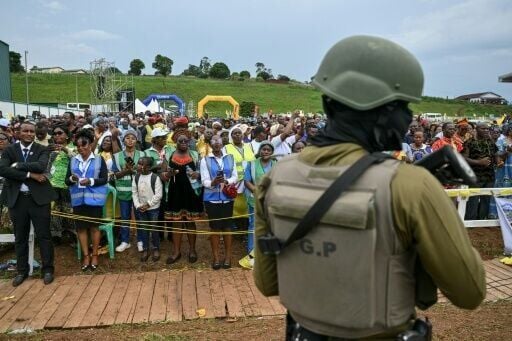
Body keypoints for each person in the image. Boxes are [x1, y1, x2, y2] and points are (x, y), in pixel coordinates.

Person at [253, 35, 485, 340]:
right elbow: (470, 291)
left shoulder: (276, 177)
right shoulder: (411, 186)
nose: (409, 118)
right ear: (384, 111)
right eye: (404, 107)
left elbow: (268, 283)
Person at [0, 121, 57, 286]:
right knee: (20, 237)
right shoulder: (10, 150)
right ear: (18, 132)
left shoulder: (42, 149)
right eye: (26, 131)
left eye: (32, 131)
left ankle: (47, 270)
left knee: (44, 235)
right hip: (17, 200)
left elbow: (41, 165)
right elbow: (3, 169)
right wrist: (29, 175)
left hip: (38, 200)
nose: (30, 134)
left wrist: (18, 165)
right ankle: (22, 271)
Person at [65, 129, 109, 271]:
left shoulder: (98, 159)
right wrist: (73, 179)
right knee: (81, 228)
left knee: (94, 228)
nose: (81, 148)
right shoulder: (73, 160)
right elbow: (67, 180)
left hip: (94, 200)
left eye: (84, 145)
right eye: (78, 146)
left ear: (90, 145)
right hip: (78, 201)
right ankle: (86, 255)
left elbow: (104, 179)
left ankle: (95, 254)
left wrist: (89, 181)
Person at [165, 128, 203, 265]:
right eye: (180, 141)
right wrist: (168, 174)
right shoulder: (169, 154)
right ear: (175, 142)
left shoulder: (195, 154)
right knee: (176, 222)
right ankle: (176, 251)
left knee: (190, 222)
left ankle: (192, 250)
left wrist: (197, 175)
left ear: (189, 142)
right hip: (175, 191)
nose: (183, 143)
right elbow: (163, 175)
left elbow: (202, 172)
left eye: (186, 141)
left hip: (191, 192)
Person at [200, 135, 238, 269]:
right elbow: (203, 180)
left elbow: (235, 176)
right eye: (214, 141)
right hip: (212, 199)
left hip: (227, 198)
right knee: (215, 228)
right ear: (210, 143)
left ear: (223, 142)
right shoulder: (205, 160)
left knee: (227, 227)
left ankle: (227, 257)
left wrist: (227, 181)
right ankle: (216, 257)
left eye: (218, 140)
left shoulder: (230, 157)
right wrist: (212, 182)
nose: (216, 143)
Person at [240, 141, 276, 269]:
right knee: (254, 226)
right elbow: (246, 181)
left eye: (268, 150)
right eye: (264, 149)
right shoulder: (252, 164)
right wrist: (257, 191)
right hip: (254, 200)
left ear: (272, 152)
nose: (266, 152)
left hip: (271, 201)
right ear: (260, 151)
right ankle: (251, 255)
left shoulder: (276, 164)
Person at [112, 130, 146, 252]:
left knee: (140, 216)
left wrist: (137, 169)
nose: (130, 140)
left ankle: (141, 240)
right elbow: (115, 175)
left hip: (139, 190)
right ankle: (125, 241)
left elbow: (146, 171)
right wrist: (127, 171)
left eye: (133, 138)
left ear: (136, 140)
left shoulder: (143, 154)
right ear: (123, 140)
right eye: (127, 138)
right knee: (125, 217)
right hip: (123, 190)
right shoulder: (117, 156)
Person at [463, 123, 498, 220]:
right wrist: (479, 162)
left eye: (487, 129)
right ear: (477, 129)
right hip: (474, 176)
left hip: (489, 176)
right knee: (473, 201)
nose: (486, 130)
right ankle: (470, 223)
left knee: (486, 200)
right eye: (483, 128)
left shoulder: (490, 142)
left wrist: (499, 161)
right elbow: (463, 158)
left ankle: (482, 222)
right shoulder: (469, 142)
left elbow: (495, 155)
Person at [47, 125, 76, 241]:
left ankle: (72, 235)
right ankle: (56, 235)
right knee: (54, 210)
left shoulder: (73, 147)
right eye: (55, 133)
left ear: (67, 135)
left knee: (69, 210)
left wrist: (64, 149)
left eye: (60, 133)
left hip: (66, 185)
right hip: (52, 184)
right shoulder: (51, 149)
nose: (57, 135)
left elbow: (76, 158)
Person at [132, 157, 163, 262]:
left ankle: (156, 248)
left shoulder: (155, 178)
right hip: (141, 209)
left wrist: (148, 205)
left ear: (149, 167)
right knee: (144, 229)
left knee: (154, 229)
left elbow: (158, 195)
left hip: (153, 208)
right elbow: (134, 193)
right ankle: (146, 249)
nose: (138, 166)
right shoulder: (136, 177)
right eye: (138, 163)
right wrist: (138, 205)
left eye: (141, 164)